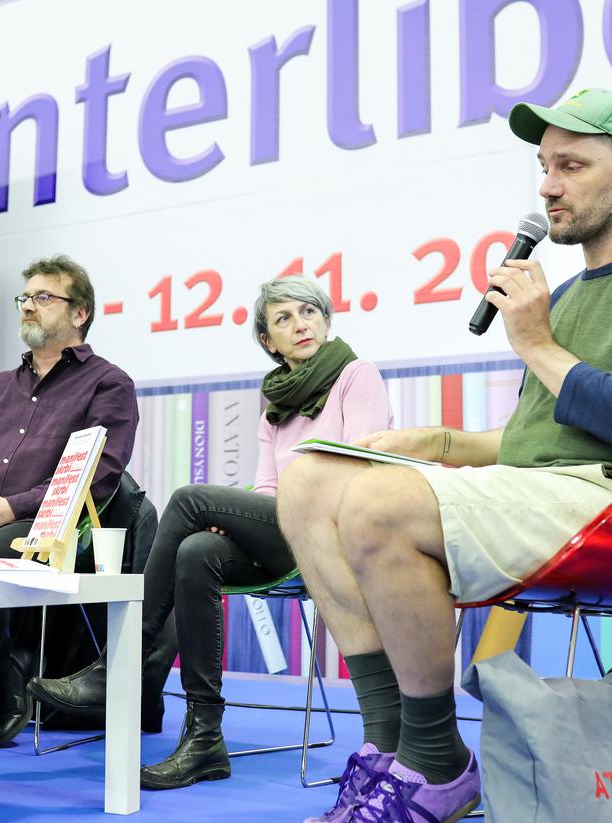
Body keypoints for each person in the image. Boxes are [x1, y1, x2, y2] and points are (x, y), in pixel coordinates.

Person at [278, 88, 612, 823]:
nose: (547, 186)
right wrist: (437, 441)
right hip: (544, 491)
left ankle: (435, 760)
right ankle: (392, 747)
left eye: (571, 165)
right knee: (310, 476)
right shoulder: (561, 295)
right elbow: (537, 439)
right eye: (543, 165)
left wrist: (536, 343)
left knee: (376, 505)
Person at [29, 275, 393, 790]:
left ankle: (120, 663)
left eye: (309, 312)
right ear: (269, 341)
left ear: (326, 320)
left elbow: (363, 466)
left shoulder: (357, 375)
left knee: (190, 499)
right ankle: (205, 739)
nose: (301, 324)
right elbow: (268, 489)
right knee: (199, 550)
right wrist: (243, 519)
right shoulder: (276, 405)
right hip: (284, 532)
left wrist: (244, 511)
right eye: (284, 318)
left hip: (335, 532)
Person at [0, 254, 138, 747]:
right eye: (25, 297)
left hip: (51, 524)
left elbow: (97, 477)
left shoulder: (109, 383)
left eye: (44, 297)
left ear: (80, 313)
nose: (29, 306)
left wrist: (7, 509)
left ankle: (1, 684)